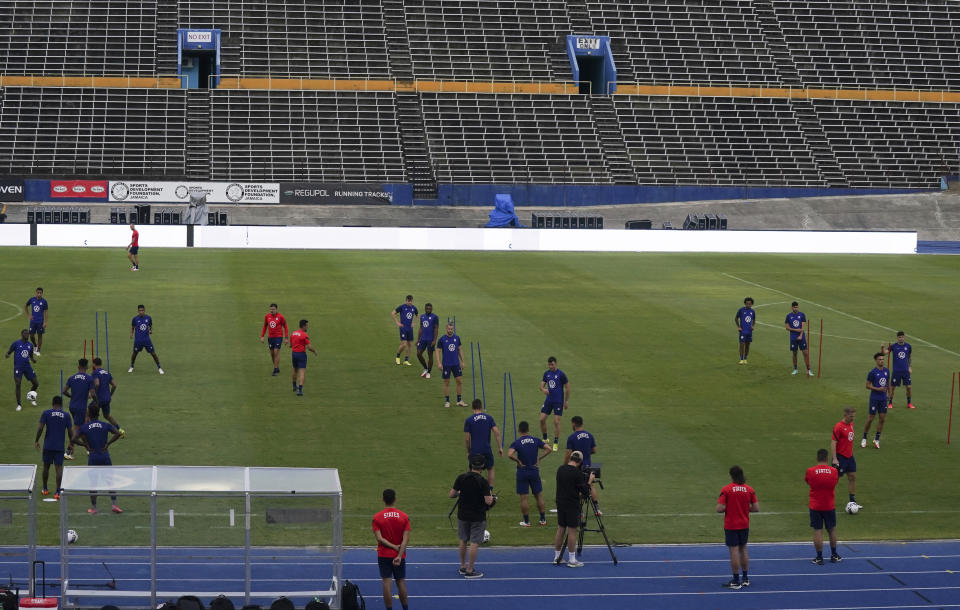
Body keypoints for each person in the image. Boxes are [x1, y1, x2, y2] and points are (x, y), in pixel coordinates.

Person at [71, 404, 124, 514]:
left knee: (93, 483)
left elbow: (73, 439)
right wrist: (108, 443)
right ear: (99, 414)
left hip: (93, 457)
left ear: (89, 414)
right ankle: (114, 505)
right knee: (110, 480)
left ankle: (94, 508)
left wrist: (84, 445)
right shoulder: (105, 424)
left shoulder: (85, 427)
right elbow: (118, 433)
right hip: (105, 456)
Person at [449, 454, 494, 579]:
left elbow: (451, 494)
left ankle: (463, 566)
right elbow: (488, 501)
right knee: (474, 542)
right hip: (477, 515)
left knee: (463, 540)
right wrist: (493, 498)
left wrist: (461, 492)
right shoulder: (483, 481)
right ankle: (470, 569)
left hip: (462, 514)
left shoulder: (461, 478)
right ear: (483, 467)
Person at [716, 465, 759, 590]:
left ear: (731, 476)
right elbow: (756, 508)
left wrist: (729, 507)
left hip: (731, 525)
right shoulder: (749, 489)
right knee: (743, 549)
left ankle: (735, 580)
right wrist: (745, 509)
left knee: (734, 552)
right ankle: (745, 578)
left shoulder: (727, 489)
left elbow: (719, 508)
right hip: (744, 524)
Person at [507, 420, 552, 527]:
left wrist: (518, 461)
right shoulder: (535, 440)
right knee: (538, 495)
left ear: (519, 430)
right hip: (534, 470)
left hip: (522, 471)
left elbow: (509, 454)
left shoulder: (517, 442)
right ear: (528, 429)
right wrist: (539, 459)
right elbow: (549, 449)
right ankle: (543, 520)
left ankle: (527, 522)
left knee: (524, 498)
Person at [371, 488, 410, 610]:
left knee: (387, 583)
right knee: (401, 582)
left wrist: (392, 547)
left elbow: (379, 538)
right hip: (400, 554)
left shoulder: (377, 518)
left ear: (383, 500)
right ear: (395, 499)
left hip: (383, 554)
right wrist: (399, 554)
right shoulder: (404, 517)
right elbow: (405, 539)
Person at [553, 450, 593, 568]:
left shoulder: (560, 469)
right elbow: (585, 492)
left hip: (560, 502)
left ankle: (557, 557)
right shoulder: (577, 473)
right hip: (571, 503)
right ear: (580, 462)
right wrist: (589, 481)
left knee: (560, 529)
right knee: (572, 531)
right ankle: (572, 559)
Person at [805, 448, 841, 565]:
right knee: (832, 530)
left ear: (817, 458)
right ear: (827, 458)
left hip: (815, 506)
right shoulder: (834, 471)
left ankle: (819, 557)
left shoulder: (810, 471)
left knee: (817, 530)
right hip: (829, 505)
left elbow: (808, 482)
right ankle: (834, 555)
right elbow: (835, 483)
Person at [35, 395, 72, 499]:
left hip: (48, 445)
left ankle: (45, 489)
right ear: (61, 404)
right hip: (59, 446)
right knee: (58, 468)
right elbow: (70, 432)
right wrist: (71, 444)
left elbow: (40, 428)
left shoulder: (46, 413)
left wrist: (37, 440)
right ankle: (57, 492)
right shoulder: (66, 415)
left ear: (52, 403)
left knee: (46, 466)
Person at [464, 399, 504, 490]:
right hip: (486, 449)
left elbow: (467, 438)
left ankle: (473, 490)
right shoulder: (489, 418)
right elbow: (497, 432)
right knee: (490, 469)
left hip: (475, 450)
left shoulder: (469, 420)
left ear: (472, 408)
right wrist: (500, 447)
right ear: (481, 407)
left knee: (474, 471)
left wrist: (468, 451)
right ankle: (490, 491)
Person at [564, 416, 600, 511]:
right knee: (591, 485)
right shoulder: (589, 435)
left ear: (574, 424)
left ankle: (580, 510)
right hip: (589, 465)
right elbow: (594, 450)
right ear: (582, 423)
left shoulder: (572, 437)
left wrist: (565, 465)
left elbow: (568, 453)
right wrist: (586, 454)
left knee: (577, 487)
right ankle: (597, 509)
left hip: (578, 467)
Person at [63, 358, 96, 459]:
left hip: (72, 406)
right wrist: (96, 402)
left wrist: (71, 396)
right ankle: (68, 451)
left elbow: (64, 391)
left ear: (78, 366)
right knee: (77, 429)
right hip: (81, 407)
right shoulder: (89, 378)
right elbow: (93, 394)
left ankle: (88, 448)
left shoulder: (71, 378)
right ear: (87, 367)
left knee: (82, 427)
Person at [830, 407, 860, 511]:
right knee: (834, 480)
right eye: (851, 416)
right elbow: (833, 443)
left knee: (852, 477)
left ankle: (852, 501)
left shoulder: (851, 424)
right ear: (845, 415)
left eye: (854, 416)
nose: (853, 418)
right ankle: (828, 500)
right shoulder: (838, 427)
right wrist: (834, 459)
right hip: (840, 457)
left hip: (849, 456)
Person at [539, 356, 570, 451]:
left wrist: (566, 401)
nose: (550, 366)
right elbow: (541, 386)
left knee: (556, 422)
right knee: (541, 419)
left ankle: (555, 442)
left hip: (558, 401)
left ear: (556, 364)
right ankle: (545, 439)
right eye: (549, 364)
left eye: (551, 364)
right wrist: (543, 389)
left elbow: (568, 388)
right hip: (548, 401)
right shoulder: (547, 374)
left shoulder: (561, 374)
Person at [861, 351, 891, 449]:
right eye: (880, 359)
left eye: (883, 359)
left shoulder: (887, 371)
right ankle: (864, 438)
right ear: (876, 361)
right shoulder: (872, 373)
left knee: (882, 419)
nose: (882, 361)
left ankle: (876, 439)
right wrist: (878, 389)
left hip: (883, 399)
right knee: (870, 419)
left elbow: (888, 383)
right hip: (874, 398)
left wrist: (889, 394)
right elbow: (867, 385)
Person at [6, 329, 38, 412]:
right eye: (25, 333)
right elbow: (9, 351)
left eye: (28, 333)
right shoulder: (16, 343)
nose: (27, 334)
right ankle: (19, 405)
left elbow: (30, 355)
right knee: (18, 384)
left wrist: (33, 360)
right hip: (18, 367)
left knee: (36, 383)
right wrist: (7, 354)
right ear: (21, 334)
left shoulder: (30, 345)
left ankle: (31, 395)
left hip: (27, 366)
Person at [437, 323, 466, 408]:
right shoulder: (442, 339)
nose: (450, 330)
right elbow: (438, 351)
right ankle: (447, 401)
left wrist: (463, 361)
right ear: (446, 329)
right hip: (446, 364)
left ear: (453, 329)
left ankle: (459, 400)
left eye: (451, 329)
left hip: (456, 364)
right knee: (447, 382)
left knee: (459, 381)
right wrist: (439, 363)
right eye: (449, 329)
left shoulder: (457, 338)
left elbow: (460, 350)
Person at [129, 305, 164, 374]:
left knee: (153, 354)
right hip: (138, 340)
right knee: (134, 354)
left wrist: (150, 330)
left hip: (147, 340)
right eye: (139, 311)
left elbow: (150, 325)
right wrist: (131, 334)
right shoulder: (135, 319)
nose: (141, 312)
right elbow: (133, 327)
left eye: (142, 310)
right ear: (138, 311)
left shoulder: (148, 318)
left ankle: (159, 367)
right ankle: (132, 366)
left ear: (144, 310)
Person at [91, 357, 122, 433]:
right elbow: (114, 385)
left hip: (99, 399)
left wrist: (93, 393)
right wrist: (110, 395)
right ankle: (119, 430)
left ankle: (93, 431)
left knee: (89, 412)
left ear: (94, 364)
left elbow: (97, 384)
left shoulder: (95, 372)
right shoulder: (107, 372)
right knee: (107, 416)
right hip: (107, 398)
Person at [884, 331, 914, 409]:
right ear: (897, 338)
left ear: (904, 337)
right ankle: (890, 403)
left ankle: (909, 403)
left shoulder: (908, 346)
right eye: (899, 337)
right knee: (893, 388)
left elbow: (909, 357)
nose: (901, 338)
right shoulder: (893, 346)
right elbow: (885, 353)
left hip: (905, 371)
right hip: (896, 371)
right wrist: (882, 348)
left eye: (902, 337)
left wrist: (910, 367)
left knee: (909, 387)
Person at [290, 319, 318, 396]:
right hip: (301, 355)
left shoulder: (293, 333)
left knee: (295, 370)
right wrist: (315, 351)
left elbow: (290, 345)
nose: (308, 327)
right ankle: (300, 390)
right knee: (302, 372)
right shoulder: (304, 335)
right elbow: (309, 347)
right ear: (304, 326)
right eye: (307, 326)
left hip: (294, 354)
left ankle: (294, 386)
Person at [260, 303, 289, 376]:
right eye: (270, 309)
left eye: (273, 309)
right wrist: (262, 336)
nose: (271, 310)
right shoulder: (267, 316)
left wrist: (286, 338)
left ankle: (275, 369)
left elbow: (285, 326)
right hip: (270, 337)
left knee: (276, 352)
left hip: (278, 337)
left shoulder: (280, 317)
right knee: (272, 354)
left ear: (276, 309)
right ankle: (276, 367)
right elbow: (265, 326)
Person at [784, 302, 813, 376]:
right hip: (793, 337)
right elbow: (787, 327)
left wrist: (800, 335)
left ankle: (808, 370)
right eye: (794, 307)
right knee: (794, 353)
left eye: (797, 307)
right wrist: (795, 330)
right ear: (792, 308)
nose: (796, 308)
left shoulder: (802, 315)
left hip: (801, 337)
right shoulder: (788, 316)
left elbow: (803, 327)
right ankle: (795, 369)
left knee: (805, 353)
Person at [415, 303, 440, 378]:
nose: (428, 310)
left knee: (430, 356)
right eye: (427, 308)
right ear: (425, 309)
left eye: (430, 308)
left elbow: (436, 329)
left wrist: (434, 340)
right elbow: (421, 328)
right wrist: (418, 340)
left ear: (431, 309)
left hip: (430, 340)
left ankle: (429, 372)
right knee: (418, 354)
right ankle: (425, 368)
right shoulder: (422, 316)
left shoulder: (435, 317)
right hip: (422, 339)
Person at [391, 295, 418, 366]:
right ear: (406, 300)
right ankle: (397, 357)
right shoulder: (402, 307)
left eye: (411, 301)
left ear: (412, 301)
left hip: (410, 329)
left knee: (409, 345)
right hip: (403, 328)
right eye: (408, 301)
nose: (409, 302)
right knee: (404, 344)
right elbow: (393, 313)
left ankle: (406, 360)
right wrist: (397, 322)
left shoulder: (414, 308)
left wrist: (414, 323)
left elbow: (417, 315)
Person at [24, 287, 48, 356]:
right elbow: (25, 305)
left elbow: (46, 312)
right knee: (31, 336)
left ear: (42, 293)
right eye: (38, 293)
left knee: (40, 336)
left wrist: (45, 322)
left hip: (40, 322)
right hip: (33, 322)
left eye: (40, 293)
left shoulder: (44, 301)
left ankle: (38, 349)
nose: (39, 294)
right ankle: (35, 345)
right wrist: (28, 315)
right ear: (36, 293)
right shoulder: (32, 300)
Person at [734, 297, 755, 365]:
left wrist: (752, 326)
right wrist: (739, 326)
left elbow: (754, 319)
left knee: (748, 345)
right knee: (742, 344)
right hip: (742, 331)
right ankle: (741, 359)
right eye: (747, 304)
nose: (748, 305)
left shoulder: (752, 311)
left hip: (749, 331)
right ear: (745, 304)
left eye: (750, 304)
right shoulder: (741, 310)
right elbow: (736, 318)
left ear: (752, 304)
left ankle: (745, 358)